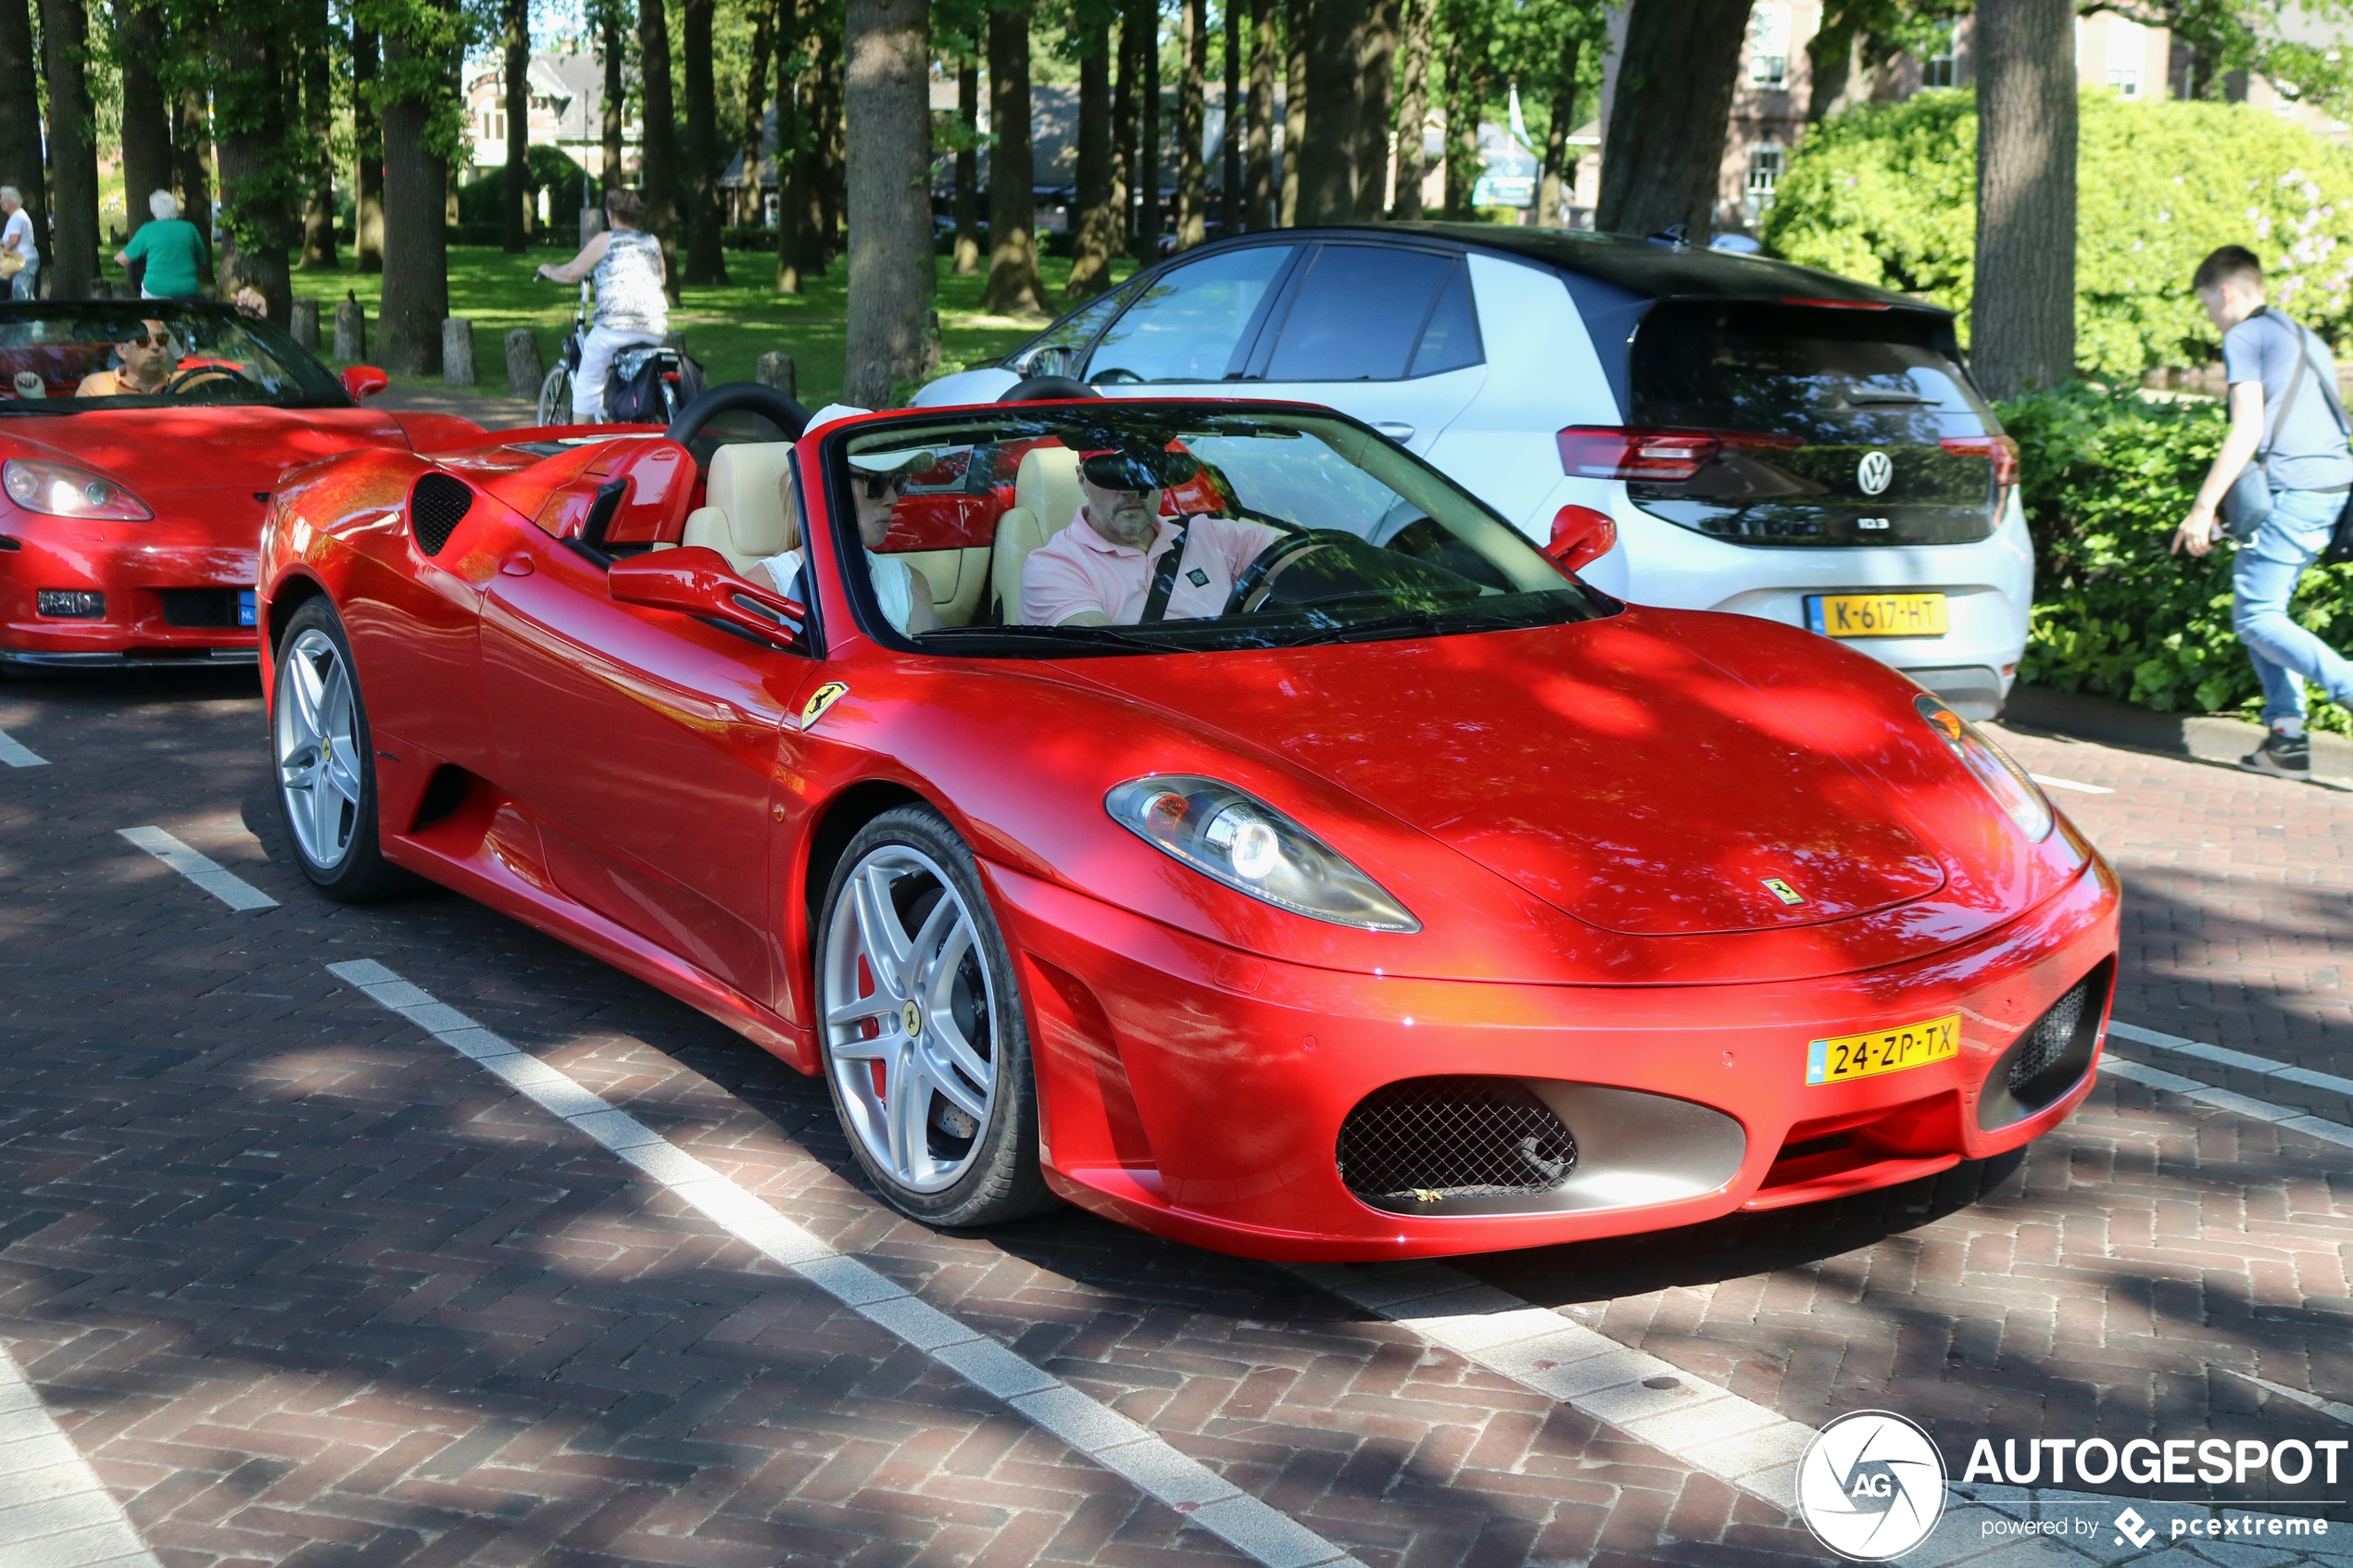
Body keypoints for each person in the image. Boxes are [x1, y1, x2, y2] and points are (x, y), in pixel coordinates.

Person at [2171, 245, 2353, 777]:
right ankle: (2285, 740)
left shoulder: (2246, 335)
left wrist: (2203, 507)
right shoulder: (2305, 336)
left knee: (2256, 616)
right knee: (2264, 608)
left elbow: (2248, 427)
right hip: (2331, 489)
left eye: (2208, 305)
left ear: (2225, 292)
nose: (2211, 317)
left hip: (2293, 491)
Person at [1020, 442, 1278, 626]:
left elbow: (1307, 561)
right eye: (1112, 474)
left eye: (1142, 472)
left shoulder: (1212, 535)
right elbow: (1106, 664)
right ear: (1082, 479)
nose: (1129, 489)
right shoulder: (1054, 567)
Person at [536, 187, 667, 423]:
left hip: (615, 330)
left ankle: (578, 440)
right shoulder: (652, 242)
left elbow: (572, 273)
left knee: (588, 383)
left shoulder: (605, 240)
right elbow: (662, 278)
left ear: (610, 214)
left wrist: (548, 270)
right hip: (654, 329)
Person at [843, 448, 940, 635]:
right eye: (876, 483)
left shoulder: (909, 585)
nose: (893, 499)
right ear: (827, 483)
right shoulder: (773, 587)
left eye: (899, 482)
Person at [115, 192, 208, 300]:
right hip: (187, 289)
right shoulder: (190, 228)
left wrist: (116, 257)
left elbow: (124, 259)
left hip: (156, 290)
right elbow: (202, 259)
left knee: (147, 294)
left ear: (154, 211)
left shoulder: (148, 229)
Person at [74, 320, 181, 397]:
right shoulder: (95, 388)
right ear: (122, 350)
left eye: (161, 339)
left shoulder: (188, 383)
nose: (155, 346)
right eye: (143, 341)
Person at [1, 187, 37, 302]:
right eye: (1, 199)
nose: (1, 202)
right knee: (26, 296)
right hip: (24, 261)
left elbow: (13, 242)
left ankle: (27, 319)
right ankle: (34, 319)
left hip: (24, 261)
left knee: (20, 294)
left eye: (5, 199)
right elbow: (8, 240)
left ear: (14, 201)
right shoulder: (16, 217)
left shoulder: (17, 218)